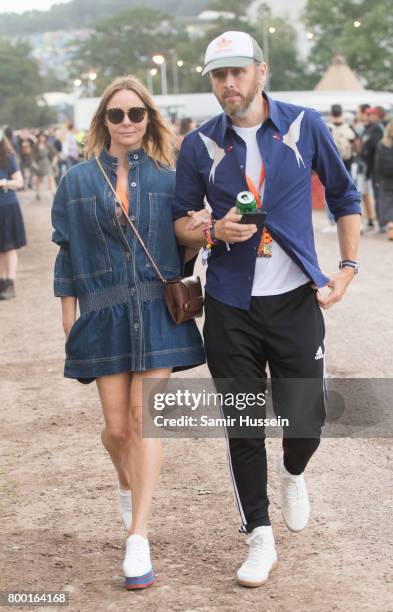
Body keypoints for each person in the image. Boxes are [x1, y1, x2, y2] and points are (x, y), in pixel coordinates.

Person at [173, 31, 361, 588]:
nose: (228, 84)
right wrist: (211, 228)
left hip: (295, 299)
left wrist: (348, 267)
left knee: (308, 419)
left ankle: (293, 470)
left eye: (237, 72)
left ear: (261, 71)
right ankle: (259, 535)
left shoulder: (303, 125)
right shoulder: (198, 144)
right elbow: (182, 219)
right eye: (218, 75)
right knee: (243, 425)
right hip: (231, 304)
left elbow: (346, 196)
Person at [51, 75, 205, 590]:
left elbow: (185, 240)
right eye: (115, 115)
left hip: (155, 308)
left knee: (145, 421)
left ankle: (138, 537)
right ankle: (126, 481)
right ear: (102, 122)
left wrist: (200, 228)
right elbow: (67, 249)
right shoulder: (76, 179)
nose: (126, 123)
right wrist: (68, 311)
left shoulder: (169, 174)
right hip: (102, 311)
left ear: (149, 117)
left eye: (135, 113)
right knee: (116, 429)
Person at [0, 128, 26, 300]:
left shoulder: (8, 159)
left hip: (7, 207)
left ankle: (10, 283)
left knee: (8, 247)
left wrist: (4, 182)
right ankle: (2, 282)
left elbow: (20, 182)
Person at [362, 106, 385, 231]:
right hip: (374, 168)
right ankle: (382, 223)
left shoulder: (376, 129)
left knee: (379, 196)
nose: (369, 116)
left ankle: (383, 224)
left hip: (377, 169)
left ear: (377, 115)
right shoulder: (372, 128)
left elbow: (374, 150)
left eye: (371, 114)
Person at [374, 120, 393, 240]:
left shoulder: (382, 144)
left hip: (386, 179)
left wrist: (377, 178)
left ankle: (391, 227)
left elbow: (377, 164)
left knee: (387, 202)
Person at [32, 132, 57, 200]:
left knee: (51, 178)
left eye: (43, 136)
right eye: (40, 136)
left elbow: (54, 154)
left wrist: (54, 162)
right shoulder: (35, 146)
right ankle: (38, 193)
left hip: (47, 163)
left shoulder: (48, 145)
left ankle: (54, 193)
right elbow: (32, 156)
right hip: (39, 163)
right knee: (38, 179)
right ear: (38, 137)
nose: (42, 138)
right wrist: (34, 164)